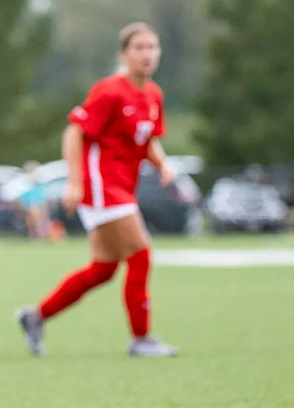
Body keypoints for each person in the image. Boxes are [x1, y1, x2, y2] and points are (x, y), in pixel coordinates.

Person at [16, 22, 179, 358]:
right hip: (102, 187)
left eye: (152, 47)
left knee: (103, 269)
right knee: (141, 255)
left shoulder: (153, 95)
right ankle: (141, 339)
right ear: (124, 54)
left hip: (122, 189)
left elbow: (146, 141)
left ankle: (36, 316)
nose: (147, 54)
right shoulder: (109, 91)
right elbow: (74, 132)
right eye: (139, 48)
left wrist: (162, 165)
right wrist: (75, 183)